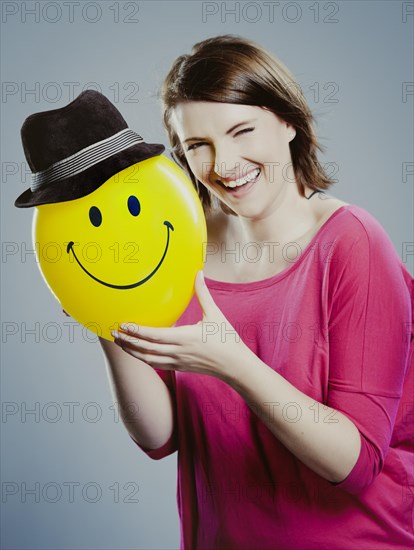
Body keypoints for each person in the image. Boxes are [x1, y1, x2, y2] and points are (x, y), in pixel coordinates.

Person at [99, 35, 414, 549]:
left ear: (288, 121)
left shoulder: (352, 243)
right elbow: (161, 437)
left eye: (241, 130)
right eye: (197, 146)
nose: (223, 164)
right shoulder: (179, 248)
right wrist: (102, 308)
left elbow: (354, 462)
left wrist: (234, 363)